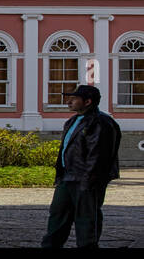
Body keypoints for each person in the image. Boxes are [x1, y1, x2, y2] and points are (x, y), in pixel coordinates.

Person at [41, 84, 122, 248]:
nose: (69, 101)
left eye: (74, 98)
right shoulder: (72, 120)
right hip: (67, 177)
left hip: (86, 180)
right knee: (57, 217)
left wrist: (88, 183)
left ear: (87, 102)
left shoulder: (100, 122)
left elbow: (98, 157)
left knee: (86, 221)